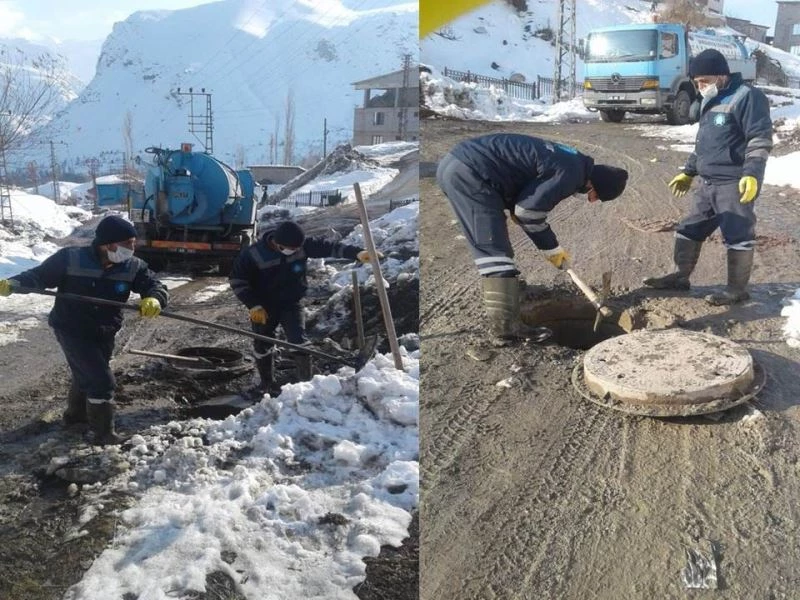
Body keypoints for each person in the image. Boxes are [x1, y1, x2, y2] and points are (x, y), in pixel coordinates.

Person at [436, 133, 628, 345]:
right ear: (594, 185)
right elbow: (528, 212)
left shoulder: (574, 163)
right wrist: (551, 248)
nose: (592, 201)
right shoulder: (571, 173)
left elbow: (524, 199)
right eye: (596, 197)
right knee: (492, 249)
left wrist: (546, 243)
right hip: (470, 173)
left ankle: (509, 292)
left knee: (495, 242)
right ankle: (505, 328)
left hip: (462, 166)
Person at [0, 215, 168, 444]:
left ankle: (75, 417)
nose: (132, 248)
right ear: (107, 244)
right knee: (101, 381)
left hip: (105, 331)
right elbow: (38, 276)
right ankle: (104, 434)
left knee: (86, 374)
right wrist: (15, 284)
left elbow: (154, 285)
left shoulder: (133, 266)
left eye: (133, 242)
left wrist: (155, 299)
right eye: (127, 243)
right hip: (72, 329)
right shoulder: (70, 259)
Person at [644, 48, 773, 305]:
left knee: (738, 235)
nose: (700, 86)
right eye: (697, 82)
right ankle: (680, 276)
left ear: (721, 76)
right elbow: (705, 144)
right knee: (689, 229)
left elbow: (759, 139)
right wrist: (689, 172)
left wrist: (752, 174)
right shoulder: (710, 99)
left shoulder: (748, 97)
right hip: (707, 183)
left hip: (732, 184)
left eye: (704, 81)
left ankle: (737, 290)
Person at [229, 220, 376, 390]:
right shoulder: (253, 254)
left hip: (292, 303)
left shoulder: (302, 245)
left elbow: (329, 247)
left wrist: (357, 253)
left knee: (299, 343)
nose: (295, 251)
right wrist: (253, 305)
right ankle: (267, 383)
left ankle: (305, 386)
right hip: (264, 307)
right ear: (277, 243)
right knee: (263, 343)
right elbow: (237, 280)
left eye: (297, 248)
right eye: (291, 248)